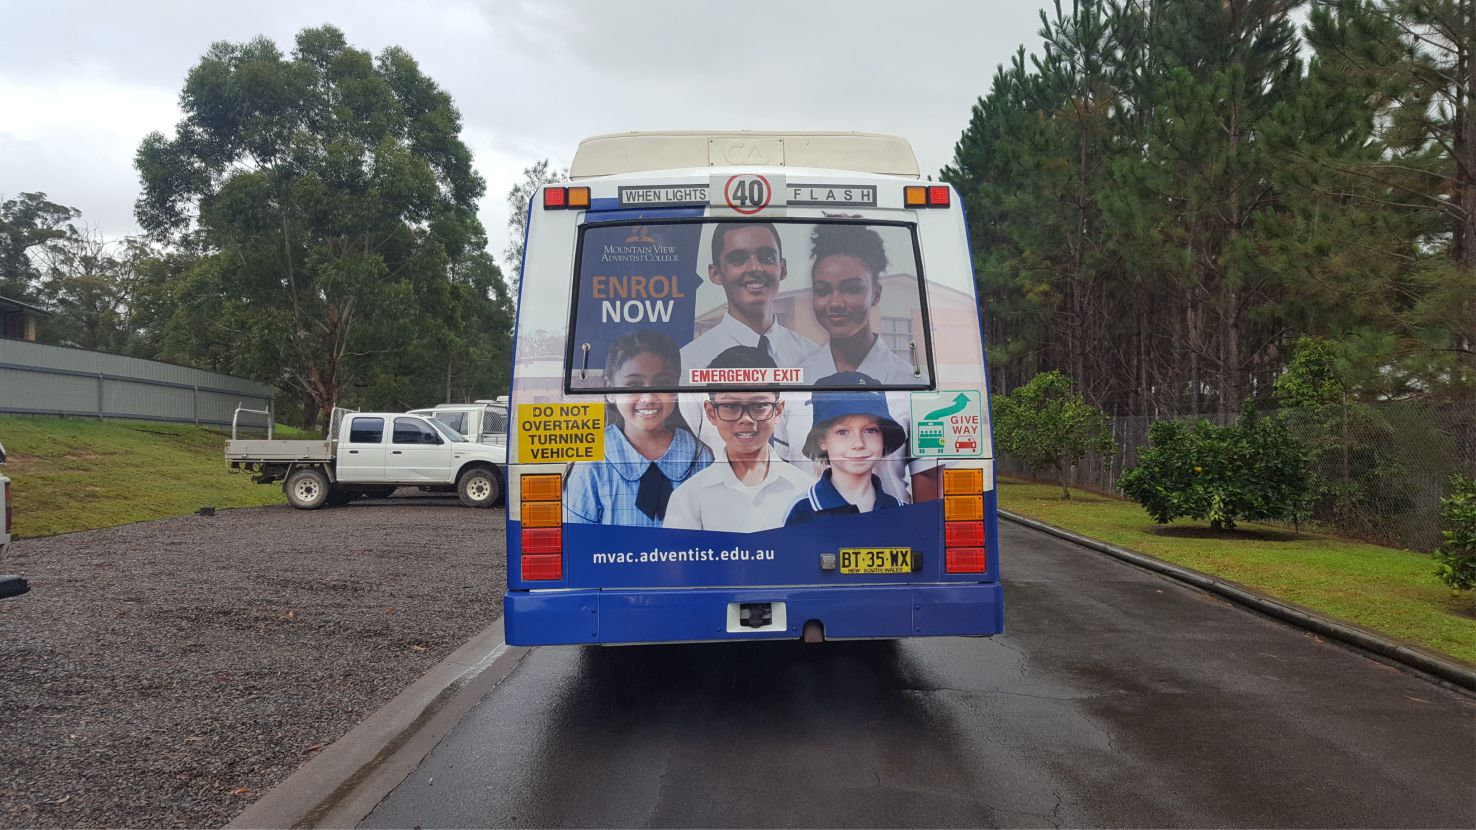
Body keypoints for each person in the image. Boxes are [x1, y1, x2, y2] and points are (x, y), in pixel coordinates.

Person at [564, 330, 711, 526]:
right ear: (609, 389)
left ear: (677, 386)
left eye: (663, 384)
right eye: (633, 384)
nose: (648, 398)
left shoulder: (701, 457)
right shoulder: (591, 464)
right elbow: (577, 541)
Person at [663, 346, 812, 533]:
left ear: (778, 410)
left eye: (759, 406)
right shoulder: (688, 499)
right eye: (730, 406)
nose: (746, 419)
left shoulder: (806, 491)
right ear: (711, 413)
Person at [679, 222, 821, 373]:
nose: (755, 268)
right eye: (738, 259)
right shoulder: (689, 362)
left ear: (783, 269)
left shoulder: (811, 356)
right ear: (716, 274)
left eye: (767, 257)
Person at [798, 223, 917, 382]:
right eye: (822, 291)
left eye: (852, 289)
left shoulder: (910, 381)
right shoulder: (797, 381)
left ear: (876, 294)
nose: (835, 303)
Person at [784, 379, 907, 525]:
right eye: (843, 432)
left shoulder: (901, 511)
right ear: (822, 440)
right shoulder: (801, 512)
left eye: (870, 430)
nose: (859, 444)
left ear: (883, 437)